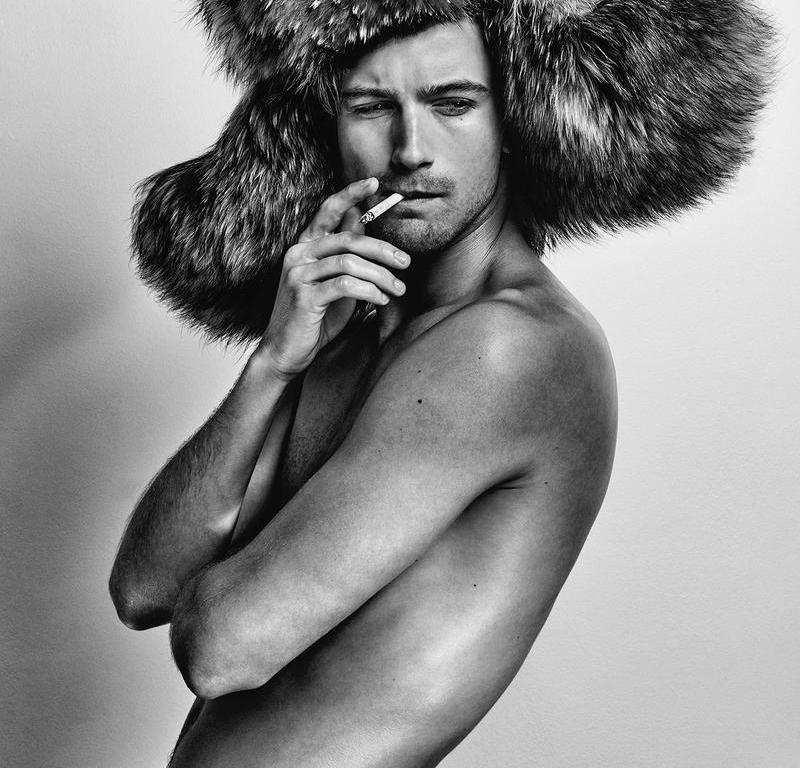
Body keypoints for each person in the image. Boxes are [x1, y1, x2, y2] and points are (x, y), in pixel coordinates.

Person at [110, 3, 772, 766]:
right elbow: (144, 590)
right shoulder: (345, 333)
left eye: (452, 103)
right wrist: (273, 365)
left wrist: (225, 576)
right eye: (370, 107)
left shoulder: (506, 347)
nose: (411, 150)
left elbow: (223, 649)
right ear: (328, 126)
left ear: (513, 123)